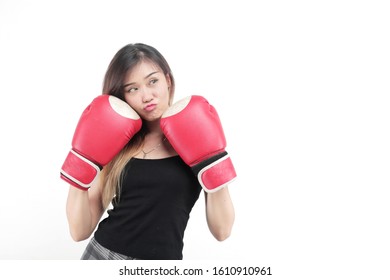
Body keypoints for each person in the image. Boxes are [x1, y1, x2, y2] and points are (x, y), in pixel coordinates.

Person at [60, 43, 236, 260]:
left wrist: (214, 162)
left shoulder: (196, 132)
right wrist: (81, 160)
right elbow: (79, 231)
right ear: (123, 95)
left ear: (168, 81)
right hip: (102, 256)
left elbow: (222, 231)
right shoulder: (117, 141)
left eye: (153, 81)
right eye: (132, 89)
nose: (146, 96)